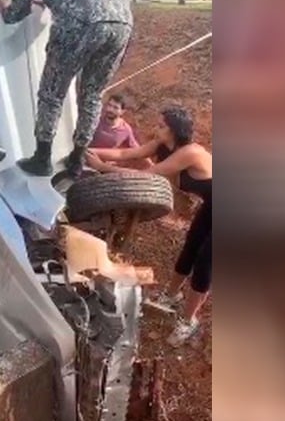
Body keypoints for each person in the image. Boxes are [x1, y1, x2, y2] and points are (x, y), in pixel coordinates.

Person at [0, 0, 133, 177]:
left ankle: (42, 159)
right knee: (92, 94)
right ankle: (77, 161)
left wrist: (2, 7)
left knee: (52, 93)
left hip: (80, 23)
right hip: (121, 23)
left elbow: (17, 11)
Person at [86, 106, 211, 347]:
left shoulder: (190, 153)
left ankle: (189, 320)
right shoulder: (162, 145)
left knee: (205, 262)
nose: (157, 129)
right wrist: (87, 150)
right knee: (190, 248)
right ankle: (171, 296)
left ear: (175, 130)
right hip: (212, 204)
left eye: (162, 126)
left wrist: (102, 168)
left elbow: (149, 174)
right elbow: (127, 155)